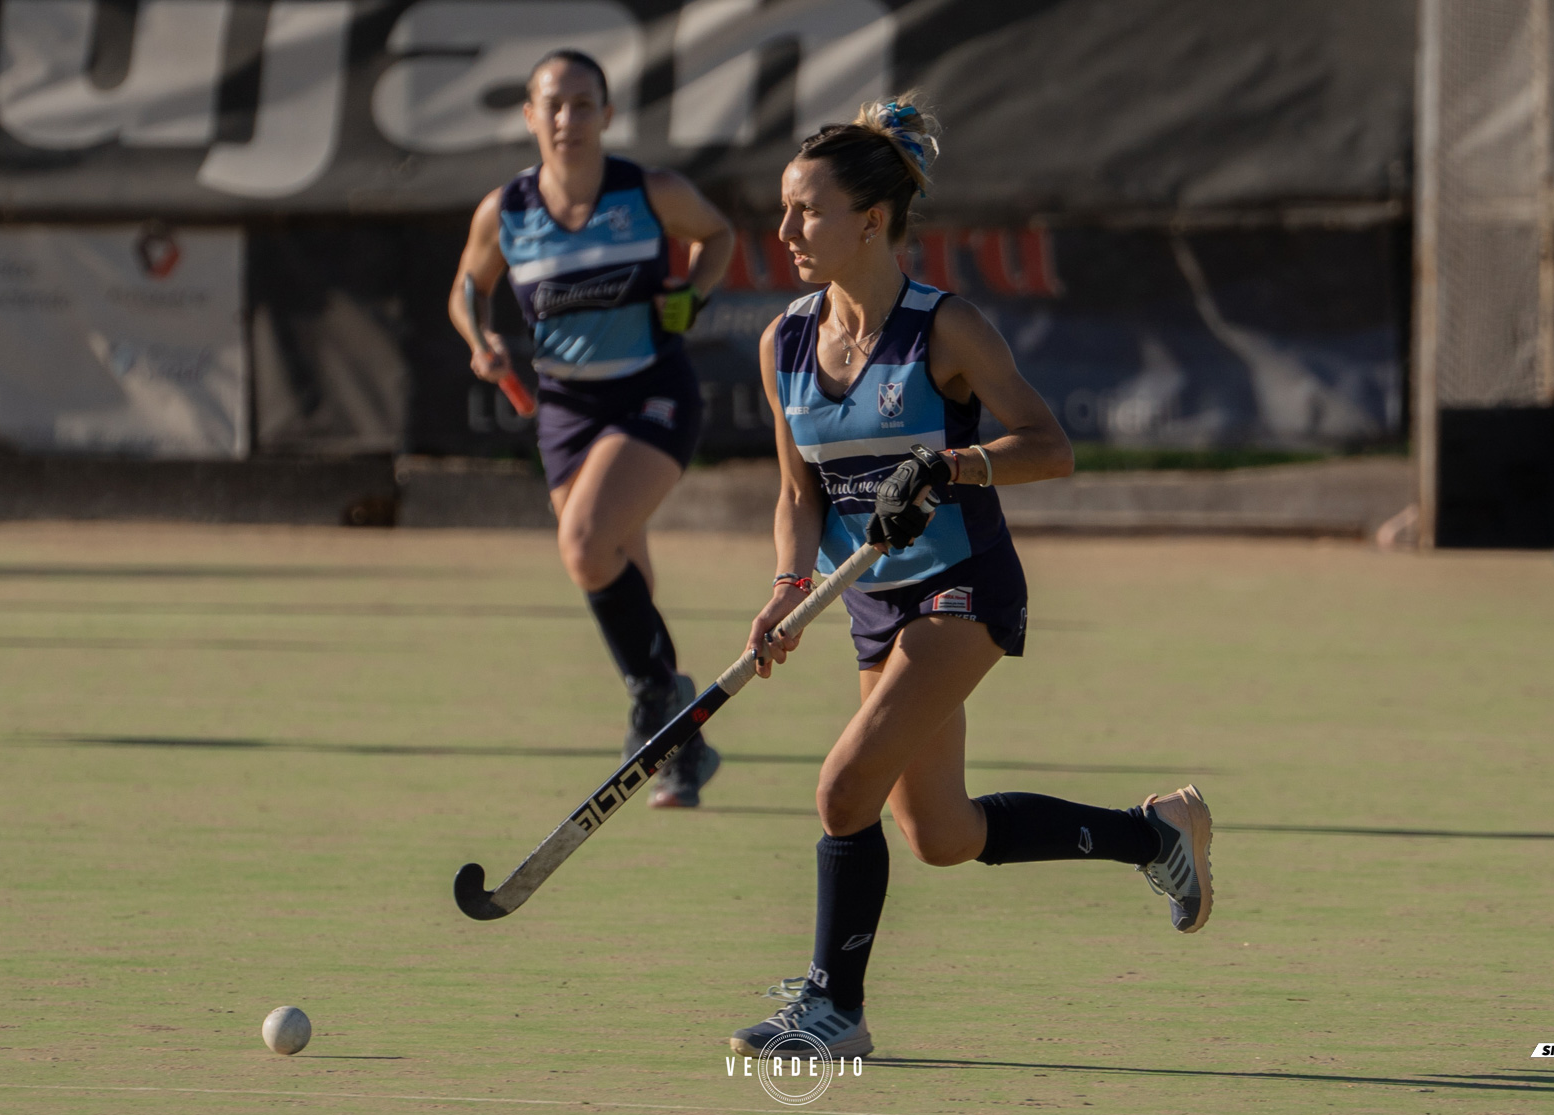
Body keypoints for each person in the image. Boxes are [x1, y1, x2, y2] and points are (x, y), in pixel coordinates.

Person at [726, 97, 1215, 1060]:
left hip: (962, 586)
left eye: (805, 211)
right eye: (783, 211)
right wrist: (787, 585)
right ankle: (1154, 835)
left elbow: (1050, 447)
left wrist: (955, 465)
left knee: (841, 790)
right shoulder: (782, 341)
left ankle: (835, 1009)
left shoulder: (943, 329)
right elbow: (797, 491)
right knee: (940, 833)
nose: (784, 232)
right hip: (871, 598)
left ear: (871, 219)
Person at [450, 50, 736, 806]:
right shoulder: (505, 211)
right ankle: (684, 743)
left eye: (584, 104)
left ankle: (652, 699)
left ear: (607, 115)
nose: (568, 119)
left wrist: (693, 297)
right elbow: (465, 289)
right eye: (554, 104)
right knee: (619, 569)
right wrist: (480, 341)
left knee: (583, 544)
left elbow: (718, 239)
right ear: (530, 117)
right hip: (565, 411)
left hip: (652, 393)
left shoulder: (649, 192)